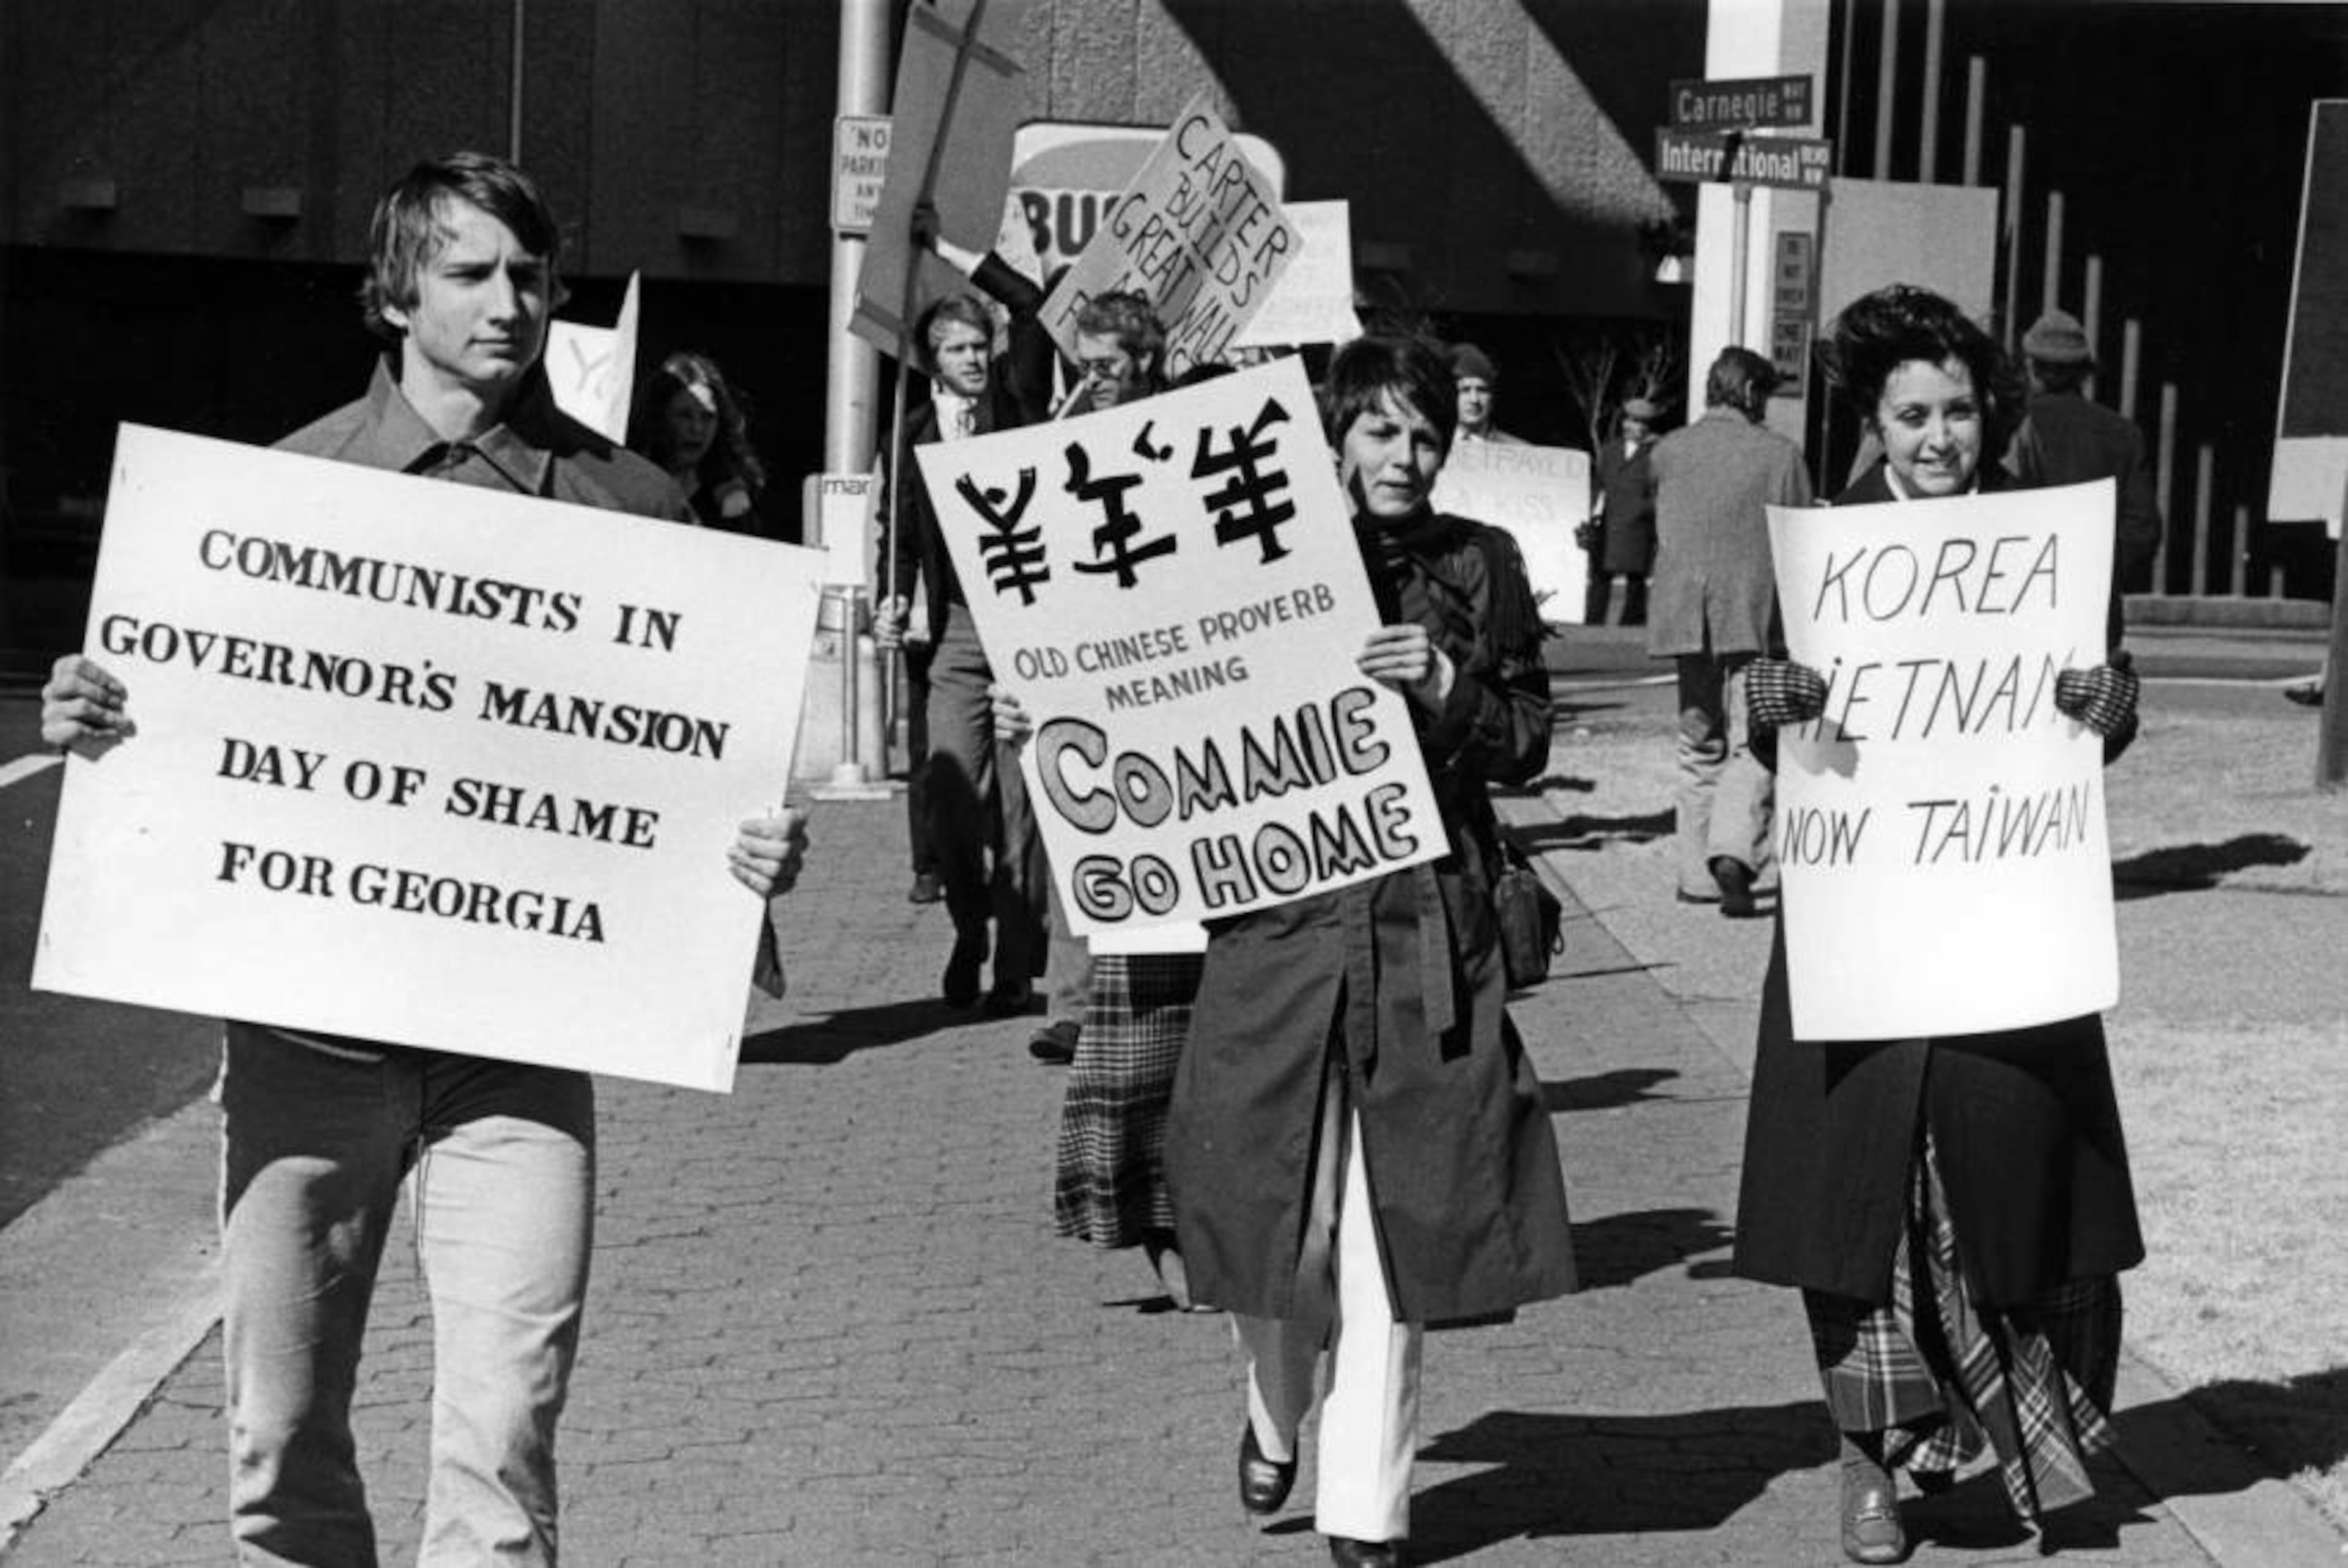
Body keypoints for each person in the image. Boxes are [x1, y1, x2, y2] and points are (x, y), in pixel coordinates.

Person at [37, 151, 808, 1566]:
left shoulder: (632, 509)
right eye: (468, 272)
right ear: (396, 296)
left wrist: (751, 857)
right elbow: (196, 746)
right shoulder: (278, 494)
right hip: (305, 1048)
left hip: (514, 1056)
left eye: (528, 273)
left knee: (501, 1447)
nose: (508, 302)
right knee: (277, 1441)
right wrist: (101, 721)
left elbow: (696, 787)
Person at [1733, 283, 2145, 1566]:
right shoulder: (1822, 547)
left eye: (1959, 410)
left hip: (2004, 931)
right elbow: (1766, 705)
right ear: (1872, 417)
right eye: (1912, 413)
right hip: (1858, 937)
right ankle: (1868, 1470)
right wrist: (1770, 692)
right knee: (1852, 1211)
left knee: (2020, 1189)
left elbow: (2107, 709)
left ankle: (2015, 1436)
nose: (1938, 437)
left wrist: (2105, 697)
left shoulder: (2042, 549)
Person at [1164, 335, 1576, 1567]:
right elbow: (1169, 700)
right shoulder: (1255, 556)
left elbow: (1526, 739)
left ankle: (1368, 1507)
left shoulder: (1480, 562)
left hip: (1424, 918)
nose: (1407, 455)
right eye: (1383, 432)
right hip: (1281, 920)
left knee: (1396, 1211)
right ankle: (1274, 1400)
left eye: (1426, 434)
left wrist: (1448, 680)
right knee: (1258, 1202)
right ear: (1334, 439)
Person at [874, 257, 1056, 1017]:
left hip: (1023, 629)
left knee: (1020, 807)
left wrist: (955, 249)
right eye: (956, 349)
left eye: (980, 345)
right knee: (949, 794)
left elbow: (1035, 306)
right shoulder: (910, 436)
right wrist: (892, 599)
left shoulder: (1017, 408)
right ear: (932, 364)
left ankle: (1014, 969)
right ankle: (969, 927)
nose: (974, 359)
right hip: (951, 632)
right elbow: (903, 541)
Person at [1023, 289, 1172, 1064]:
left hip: (1167, 655)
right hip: (1084, 653)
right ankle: (1072, 1005)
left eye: (1108, 363)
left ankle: (1158, 991)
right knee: (1072, 818)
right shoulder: (1065, 431)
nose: (1095, 376)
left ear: (1144, 358)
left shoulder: (1184, 428)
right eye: (1085, 364)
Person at [1646, 347, 1812, 917]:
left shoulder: (1666, 452)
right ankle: (1734, 854)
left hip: (1684, 614)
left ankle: (1696, 874)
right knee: (1752, 742)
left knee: (1698, 741)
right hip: (1755, 613)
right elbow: (1799, 539)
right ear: (1752, 395)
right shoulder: (1780, 456)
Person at [2004, 308, 2163, 649]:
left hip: (2018, 605)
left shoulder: (2011, 427)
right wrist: (2096, 573)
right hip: (2094, 607)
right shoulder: (2124, 433)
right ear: (2084, 372)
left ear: (2030, 366)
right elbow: (2143, 529)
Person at [627, 350, 767, 532]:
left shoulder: (731, 492)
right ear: (660, 418)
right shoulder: (631, 478)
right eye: (684, 416)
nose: (697, 428)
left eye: (708, 417)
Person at [1581, 396, 1660, 626]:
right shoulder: (1610, 451)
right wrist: (1593, 510)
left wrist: (1644, 510)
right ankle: (1593, 623)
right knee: (1600, 577)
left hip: (1638, 528)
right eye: (1630, 420)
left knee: (1636, 581)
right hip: (1609, 524)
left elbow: (1660, 492)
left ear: (1647, 426)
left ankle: (1632, 624)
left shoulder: (1656, 453)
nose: (1632, 426)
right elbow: (1599, 484)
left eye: (1639, 422)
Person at [1448, 342, 1521, 445]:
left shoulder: (1520, 450)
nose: (1474, 400)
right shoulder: (1433, 448)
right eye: (1465, 390)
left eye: (1482, 390)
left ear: (1493, 398)